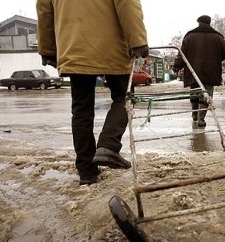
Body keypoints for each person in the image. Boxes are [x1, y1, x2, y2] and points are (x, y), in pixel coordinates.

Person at [37, 0, 149, 185]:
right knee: (125, 96)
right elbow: (127, 4)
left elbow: (45, 12)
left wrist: (48, 49)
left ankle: (86, 171)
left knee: (81, 109)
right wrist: (137, 40)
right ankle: (108, 146)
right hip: (110, 45)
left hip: (72, 46)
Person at [173, 15, 225, 128]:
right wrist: (216, 59)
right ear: (209, 23)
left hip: (194, 70)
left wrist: (176, 67)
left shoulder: (190, 36)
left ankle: (194, 115)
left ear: (198, 22)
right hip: (211, 70)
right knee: (206, 93)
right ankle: (201, 119)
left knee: (194, 92)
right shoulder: (218, 37)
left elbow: (182, 54)